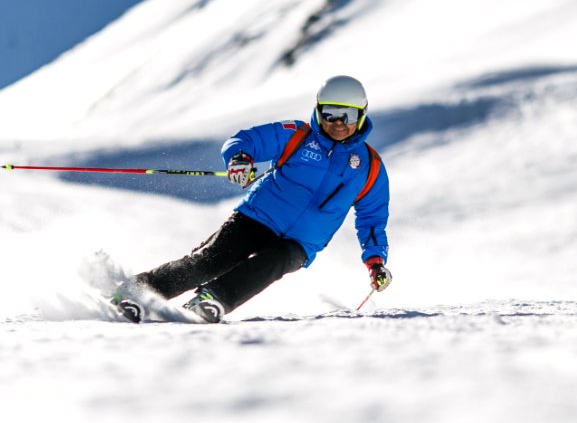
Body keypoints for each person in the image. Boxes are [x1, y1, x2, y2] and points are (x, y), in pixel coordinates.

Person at [112, 75, 392, 323]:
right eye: (330, 114)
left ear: (362, 115)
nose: (338, 123)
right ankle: (134, 293)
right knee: (209, 262)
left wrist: (376, 262)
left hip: (300, 243)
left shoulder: (370, 167)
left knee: (275, 261)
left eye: (348, 115)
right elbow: (246, 140)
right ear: (319, 112)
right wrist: (240, 159)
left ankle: (212, 300)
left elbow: (372, 219)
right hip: (257, 217)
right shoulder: (297, 135)